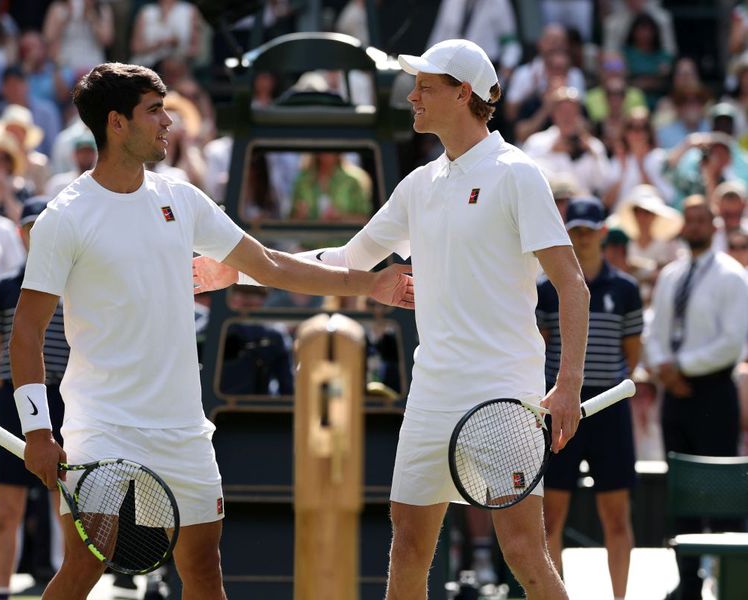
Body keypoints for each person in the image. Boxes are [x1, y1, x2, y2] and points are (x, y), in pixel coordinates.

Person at [194, 39, 590, 599]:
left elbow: (572, 284)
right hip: (432, 393)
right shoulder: (418, 185)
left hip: (504, 392)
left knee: (524, 552)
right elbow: (344, 261)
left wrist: (568, 384)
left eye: (425, 86)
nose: (412, 97)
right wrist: (239, 271)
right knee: (406, 545)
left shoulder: (517, 175)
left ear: (463, 93)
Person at [11, 62, 413, 600]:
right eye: (154, 111)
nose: (168, 122)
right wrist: (38, 431)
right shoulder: (64, 218)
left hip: (181, 427)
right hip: (103, 425)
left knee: (203, 570)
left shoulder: (182, 200)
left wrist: (369, 284)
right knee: (85, 565)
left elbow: (270, 265)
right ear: (116, 123)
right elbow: (27, 331)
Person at [537, 197, 643, 600]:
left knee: (616, 516)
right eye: (575, 231)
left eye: (587, 231)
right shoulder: (546, 290)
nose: (581, 239)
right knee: (551, 518)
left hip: (610, 411)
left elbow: (631, 353)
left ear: (602, 233)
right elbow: (542, 347)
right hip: (559, 410)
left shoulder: (626, 289)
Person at [643, 195, 748, 599]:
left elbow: (731, 343)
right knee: (681, 490)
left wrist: (680, 367)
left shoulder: (731, 276)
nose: (695, 226)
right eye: (689, 220)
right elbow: (655, 331)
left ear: (715, 225)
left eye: (702, 219)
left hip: (714, 392)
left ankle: (731, 581)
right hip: (676, 394)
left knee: (722, 490)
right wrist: (664, 370)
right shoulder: (672, 275)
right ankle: (688, 582)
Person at [0, 197, 68, 600]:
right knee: (8, 509)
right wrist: (13, 383)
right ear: (20, 233)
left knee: (66, 507)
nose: (37, 234)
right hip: (12, 403)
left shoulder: (75, 283)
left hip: (63, 399)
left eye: (43, 226)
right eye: (31, 227)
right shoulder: (1, 289)